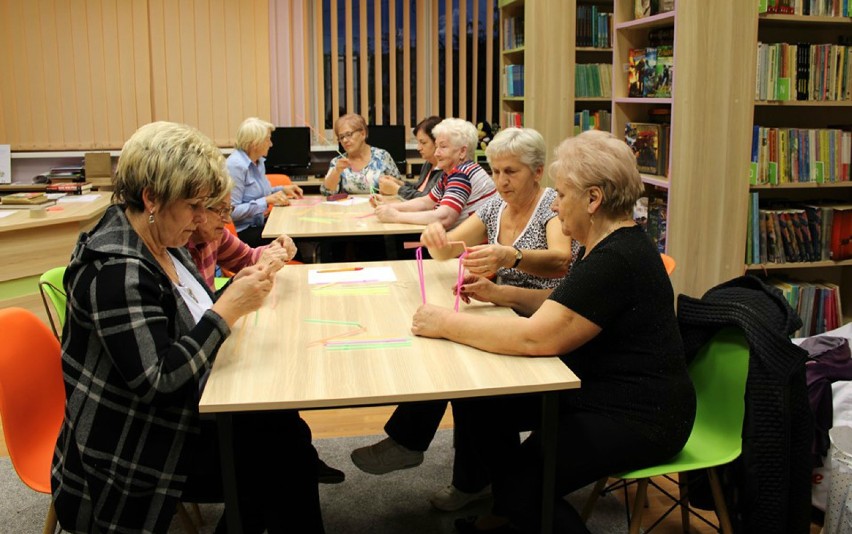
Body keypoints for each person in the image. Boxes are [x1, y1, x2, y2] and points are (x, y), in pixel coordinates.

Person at [410, 130, 696, 534]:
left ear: (593, 199)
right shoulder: (604, 245)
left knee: (523, 485)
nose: (556, 207)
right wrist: (499, 293)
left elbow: (536, 338)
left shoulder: (616, 260)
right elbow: (562, 306)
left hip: (637, 417)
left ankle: (515, 500)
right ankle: (509, 511)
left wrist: (445, 323)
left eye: (562, 196)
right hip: (597, 390)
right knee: (481, 406)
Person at [51, 122, 325, 533]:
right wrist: (228, 309)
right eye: (194, 206)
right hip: (136, 444)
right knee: (282, 457)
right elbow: (158, 381)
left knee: (284, 427)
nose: (202, 220)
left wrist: (235, 293)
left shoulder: (161, 241)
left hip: (178, 413)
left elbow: (193, 318)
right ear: (152, 198)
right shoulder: (116, 270)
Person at [351, 127, 579, 512]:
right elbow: (451, 251)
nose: (502, 181)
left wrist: (510, 256)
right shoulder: (494, 208)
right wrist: (436, 238)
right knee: (449, 355)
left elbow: (561, 261)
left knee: (460, 371)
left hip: (539, 317)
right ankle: (456, 470)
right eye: (497, 171)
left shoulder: (551, 206)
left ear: (537, 172)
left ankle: (433, 457)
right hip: (505, 310)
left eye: (513, 172)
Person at [372, 118, 496, 229]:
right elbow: (426, 202)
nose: (436, 153)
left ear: (462, 151)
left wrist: (396, 216)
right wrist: (389, 207)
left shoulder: (461, 174)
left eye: (443, 147)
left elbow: (444, 218)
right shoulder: (454, 172)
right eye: (436, 147)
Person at [228, 117, 304, 248]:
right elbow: (231, 212)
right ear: (255, 143)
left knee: (294, 229)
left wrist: (283, 189)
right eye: (268, 139)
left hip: (259, 223)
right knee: (289, 239)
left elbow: (263, 193)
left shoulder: (258, 161)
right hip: (243, 233)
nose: (271, 144)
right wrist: (266, 201)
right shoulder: (235, 166)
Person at [321, 114, 402, 195]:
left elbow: (400, 188)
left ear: (363, 134)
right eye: (341, 137)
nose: (345, 140)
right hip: (349, 207)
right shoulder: (337, 162)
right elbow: (326, 192)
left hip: (379, 206)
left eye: (349, 134)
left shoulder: (382, 156)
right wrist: (336, 171)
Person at [378, 116, 443, 199]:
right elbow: (419, 188)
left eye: (423, 143)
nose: (418, 148)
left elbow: (427, 199)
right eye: (418, 142)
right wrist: (399, 183)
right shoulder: (428, 163)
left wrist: (397, 189)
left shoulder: (445, 169)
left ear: (437, 142)